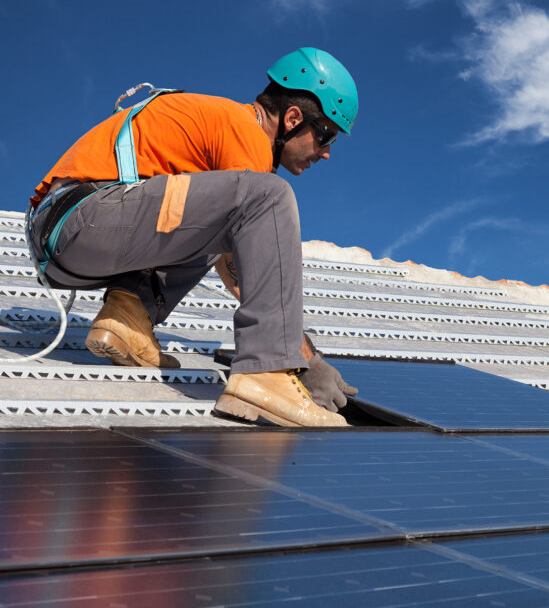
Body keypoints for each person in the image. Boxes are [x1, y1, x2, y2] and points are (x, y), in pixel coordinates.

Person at [27, 47, 359, 427]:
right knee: (270, 196)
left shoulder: (222, 132)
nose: (327, 153)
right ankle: (265, 376)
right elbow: (252, 265)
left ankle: (128, 319)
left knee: (227, 221)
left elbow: (228, 249)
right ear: (293, 118)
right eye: (326, 135)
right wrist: (301, 359)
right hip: (82, 220)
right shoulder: (245, 131)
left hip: (72, 233)